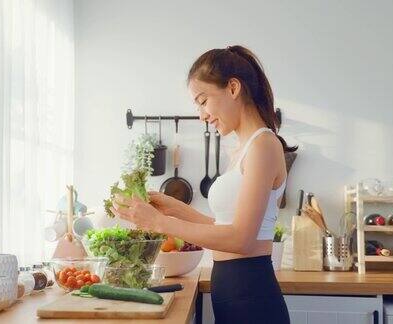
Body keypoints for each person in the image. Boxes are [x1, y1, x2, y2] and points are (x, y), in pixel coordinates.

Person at [111, 45, 296, 324]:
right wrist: (173, 209)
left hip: (251, 295)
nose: (201, 115)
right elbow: (224, 229)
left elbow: (241, 240)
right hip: (233, 290)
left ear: (233, 88)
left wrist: (158, 223)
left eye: (203, 100)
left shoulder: (264, 145)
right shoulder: (243, 149)